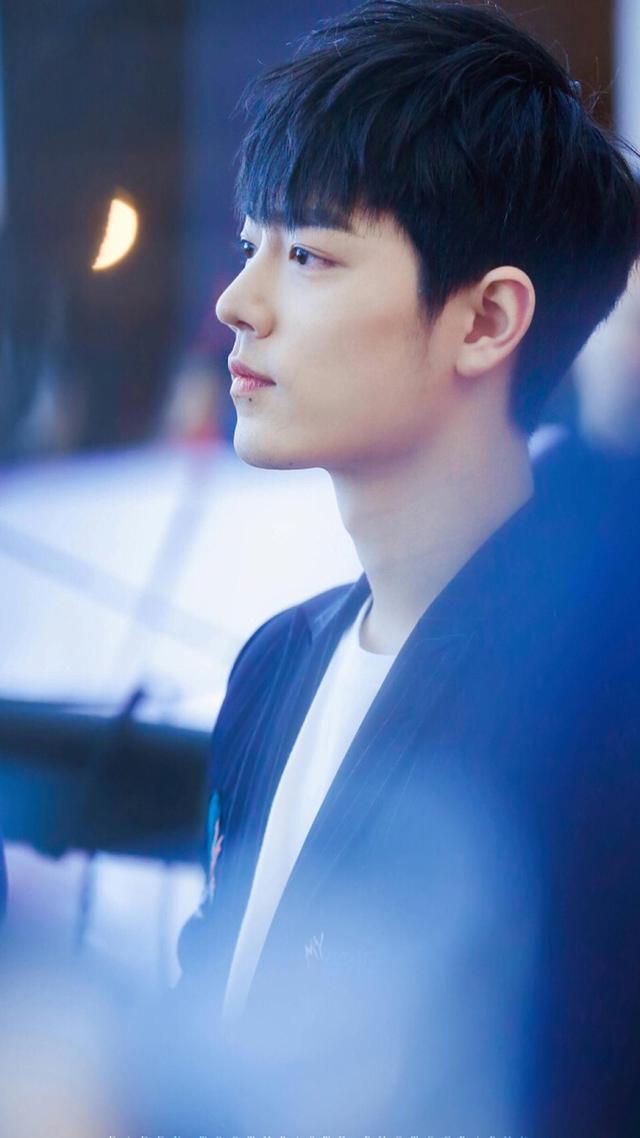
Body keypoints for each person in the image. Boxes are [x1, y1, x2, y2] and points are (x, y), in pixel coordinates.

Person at [177, 2, 640, 1133]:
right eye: (248, 246)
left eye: (308, 254)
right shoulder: (275, 664)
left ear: (486, 320)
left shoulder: (590, 705)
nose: (237, 304)